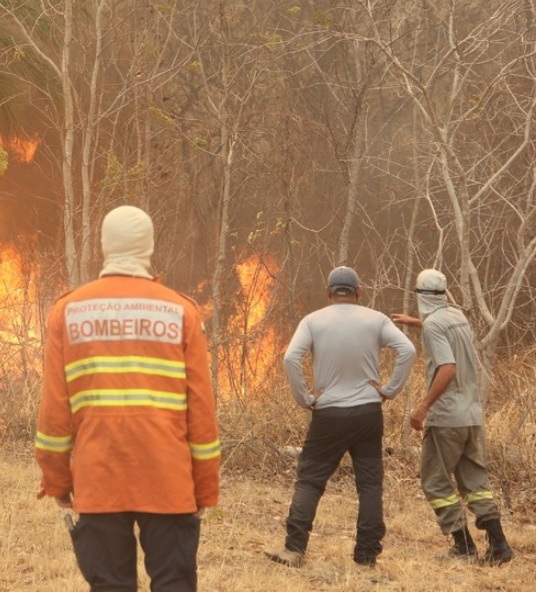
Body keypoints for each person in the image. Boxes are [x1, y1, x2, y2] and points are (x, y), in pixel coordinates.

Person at [34, 205, 220, 592]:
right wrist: (204, 487)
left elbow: (54, 412)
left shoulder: (67, 312)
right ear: (149, 247)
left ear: (103, 245)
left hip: (98, 476)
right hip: (168, 480)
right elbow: (201, 412)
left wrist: (57, 480)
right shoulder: (181, 312)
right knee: (174, 583)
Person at [266, 266, 415, 568]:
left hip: (328, 414)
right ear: (358, 291)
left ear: (329, 292)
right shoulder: (375, 319)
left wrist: (305, 398)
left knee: (310, 480)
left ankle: (294, 549)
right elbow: (408, 349)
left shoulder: (313, 321)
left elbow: (290, 357)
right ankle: (366, 555)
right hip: (367, 413)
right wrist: (389, 391)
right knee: (370, 484)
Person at [391, 268, 514, 565]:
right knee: (474, 482)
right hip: (471, 415)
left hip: (446, 419)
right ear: (443, 294)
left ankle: (463, 546)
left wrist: (423, 407)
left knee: (434, 482)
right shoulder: (457, 316)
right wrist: (415, 323)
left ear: (420, 296)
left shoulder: (434, 326)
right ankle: (499, 546)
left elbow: (447, 367)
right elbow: (442, 330)